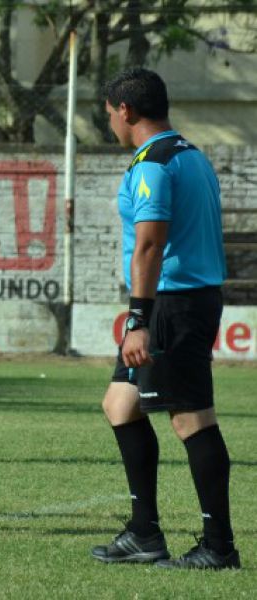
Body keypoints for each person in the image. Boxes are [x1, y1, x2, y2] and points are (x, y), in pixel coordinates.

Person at [90, 68, 238, 569]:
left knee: (191, 418)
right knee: (120, 405)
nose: (109, 121)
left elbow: (150, 245)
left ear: (125, 110)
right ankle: (144, 534)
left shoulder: (153, 164)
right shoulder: (191, 154)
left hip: (175, 305)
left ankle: (219, 548)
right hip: (185, 299)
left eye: (110, 113)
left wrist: (138, 320)